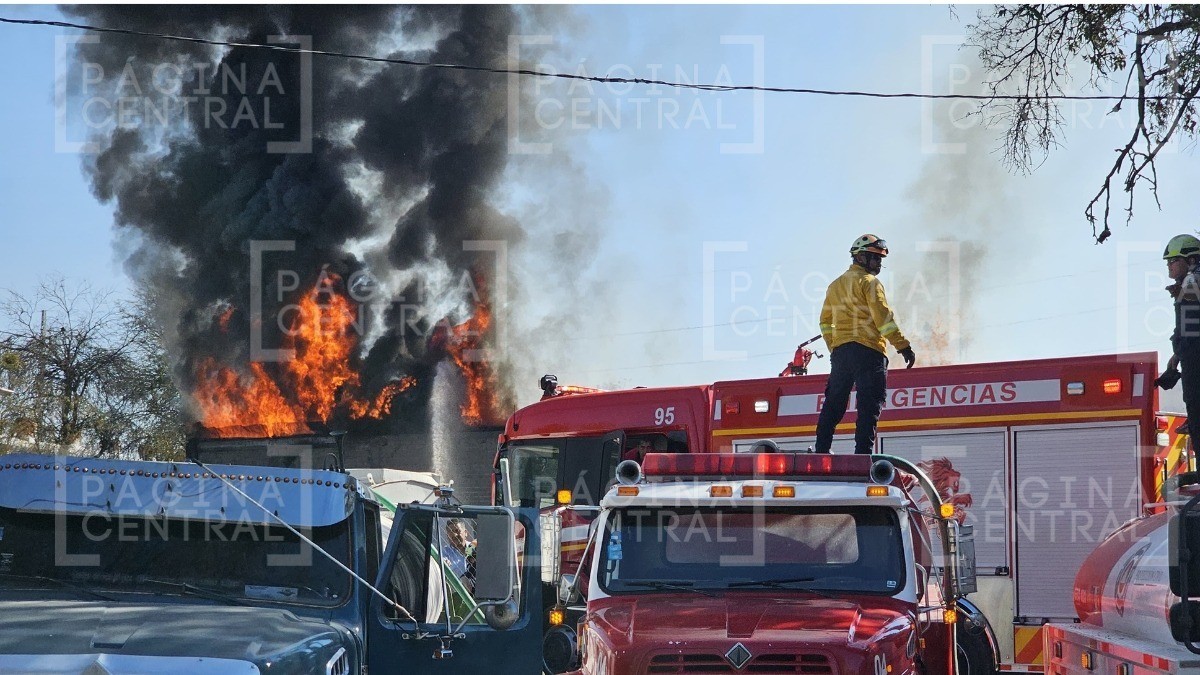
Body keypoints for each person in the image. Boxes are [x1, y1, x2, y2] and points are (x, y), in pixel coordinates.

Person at [813, 234, 915, 455]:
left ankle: (821, 450)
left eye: (880, 259)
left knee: (834, 403)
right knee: (869, 407)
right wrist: (903, 346)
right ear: (860, 257)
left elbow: (824, 321)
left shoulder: (834, 286)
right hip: (869, 352)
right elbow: (883, 319)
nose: (879, 264)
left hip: (842, 354)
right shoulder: (870, 283)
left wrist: (835, 347)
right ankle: (862, 456)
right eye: (875, 258)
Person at [1156, 234, 1200, 433]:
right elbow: (1187, 325)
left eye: (1174, 260)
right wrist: (1177, 355)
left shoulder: (1193, 282)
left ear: (1191, 259)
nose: (1169, 265)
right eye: (1167, 262)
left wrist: (1183, 351)